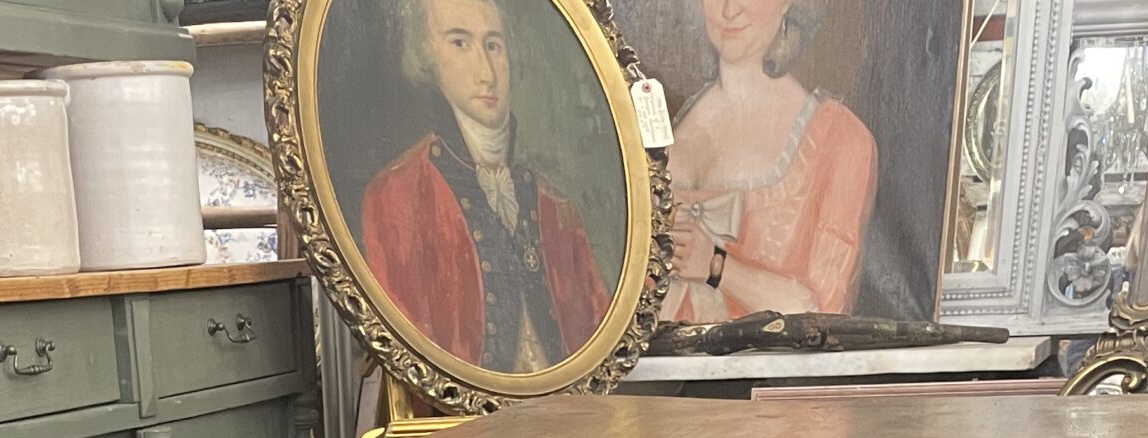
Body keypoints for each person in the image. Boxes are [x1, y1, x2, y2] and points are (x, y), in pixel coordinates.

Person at [360, 0, 613, 373]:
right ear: (428, 59)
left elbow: (598, 336)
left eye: (493, 45)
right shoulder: (395, 196)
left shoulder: (552, 202)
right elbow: (408, 357)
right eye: (460, 44)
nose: (486, 72)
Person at [663, 0, 877, 323]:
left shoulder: (841, 142)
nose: (729, 9)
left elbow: (823, 318)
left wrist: (715, 265)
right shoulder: (660, 131)